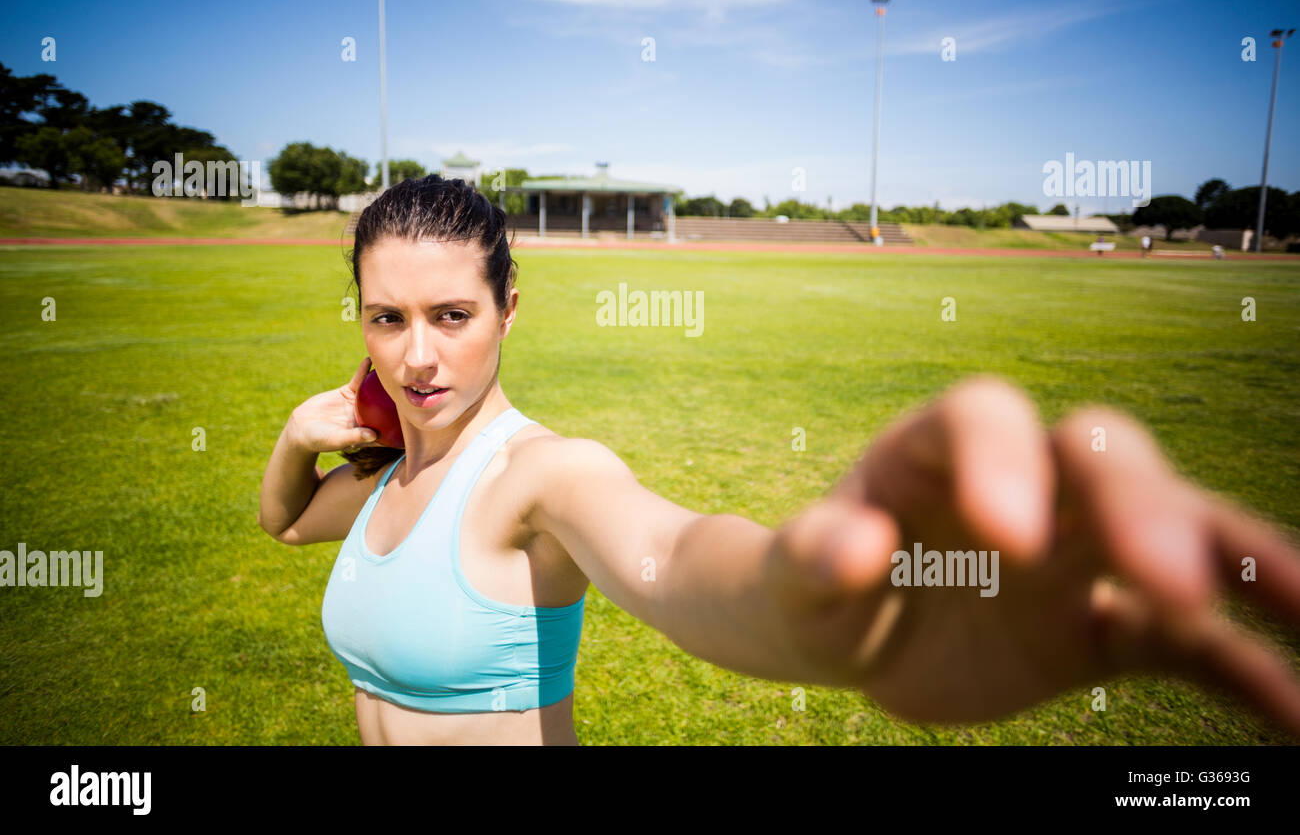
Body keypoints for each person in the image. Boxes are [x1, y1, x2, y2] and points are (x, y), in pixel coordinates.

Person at [258, 175, 1300, 745]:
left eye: (451, 313)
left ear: (508, 309)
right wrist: (297, 437)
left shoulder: (542, 474)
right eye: (385, 317)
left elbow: (680, 556)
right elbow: (285, 520)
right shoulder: (385, 474)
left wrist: (840, 614)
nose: (418, 354)